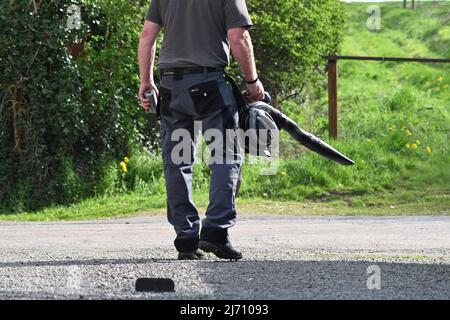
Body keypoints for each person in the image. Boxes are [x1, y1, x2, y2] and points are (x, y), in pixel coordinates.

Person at [138, 0, 264, 260]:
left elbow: (147, 36)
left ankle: (186, 238)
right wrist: (252, 83)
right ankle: (215, 231)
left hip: (171, 87)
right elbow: (238, 37)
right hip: (209, 86)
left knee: (178, 161)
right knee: (225, 156)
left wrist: (146, 81)